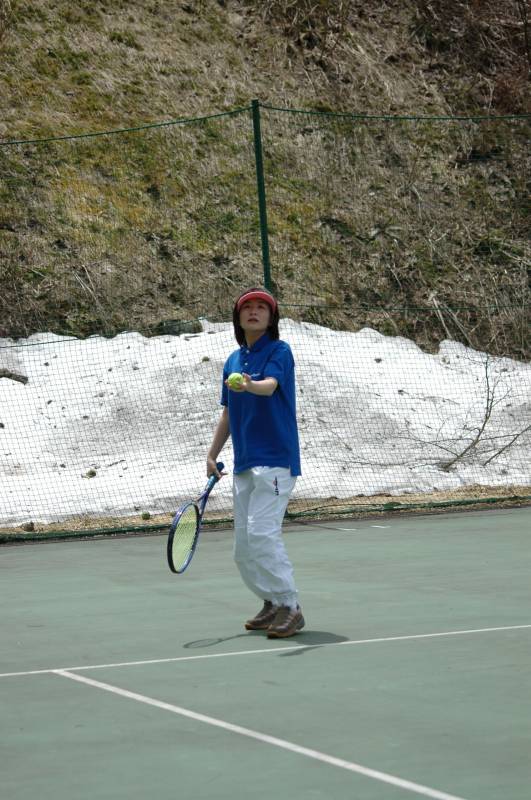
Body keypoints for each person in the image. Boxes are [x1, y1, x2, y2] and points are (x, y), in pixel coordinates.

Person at [206, 287, 304, 639]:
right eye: (248, 307)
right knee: (243, 547)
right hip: (244, 463)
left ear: (271, 317)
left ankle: (290, 605)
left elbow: (270, 386)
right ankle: (271, 601)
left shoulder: (280, 351)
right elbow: (228, 413)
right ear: (238, 317)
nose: (254, 311)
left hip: (276, 459)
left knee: (263, 533)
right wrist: (212, 454)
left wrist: (250, 385)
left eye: (262, 307)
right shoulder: (233, 361)